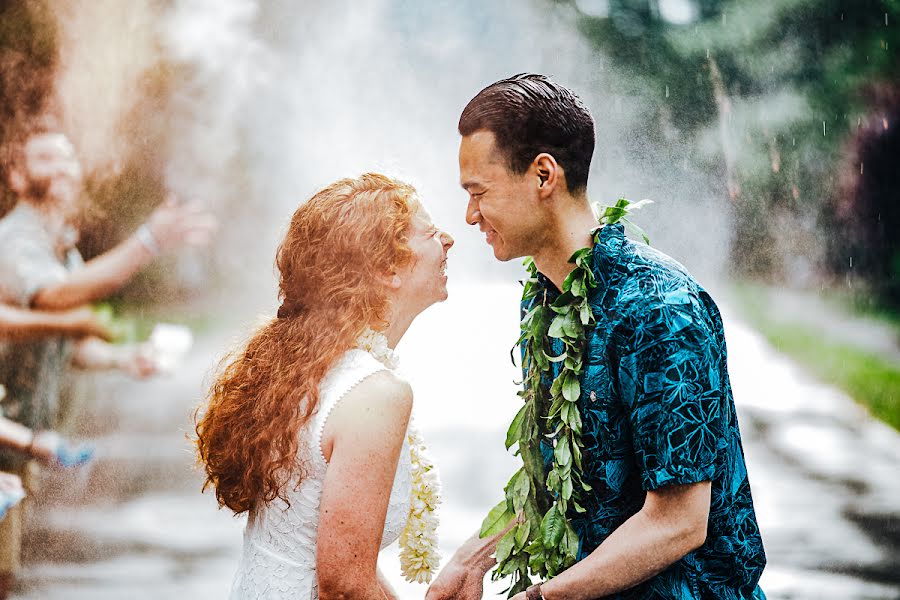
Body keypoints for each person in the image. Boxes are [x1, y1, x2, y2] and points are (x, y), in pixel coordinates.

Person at [427, 74, 766, 600]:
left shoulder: (660, 310)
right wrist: (470, 559)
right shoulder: (543, 296)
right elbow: (561, 482)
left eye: (479, 192)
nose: (470, 215)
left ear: (544, 175)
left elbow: (678, 521)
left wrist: (543, 598)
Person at [195, 173, 453, 599]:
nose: (448, 239)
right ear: (388, 269)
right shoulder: (374, 393)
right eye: (429, 232)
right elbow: (344, 587)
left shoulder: (307, 367)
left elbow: (345, 564)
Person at [0, 125, 217, 597]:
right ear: (16, 176)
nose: (59, 167)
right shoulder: (13, 241)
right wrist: (149, 242)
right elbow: (54, 299)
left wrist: (123, 358)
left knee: (6, 574)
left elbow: (69, 346)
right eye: (44, 159)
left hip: (16, 451)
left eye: (67, 158)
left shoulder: (63, 250)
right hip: (10, 439)